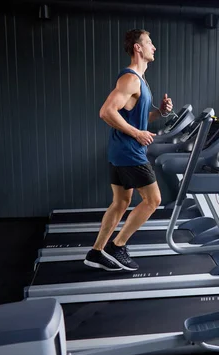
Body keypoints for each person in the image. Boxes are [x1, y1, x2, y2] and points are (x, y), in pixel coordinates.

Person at [84, 28, 173, 272]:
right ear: (138, 47)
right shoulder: (131, 79)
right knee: (153, 200)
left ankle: (96, 252)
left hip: (120, 151)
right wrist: (137, 134)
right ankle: (117, 245)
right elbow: (106, 112)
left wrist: (160, 113)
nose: (153, 47)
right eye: (149, 42)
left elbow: (135, 117)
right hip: (129, 151)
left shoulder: (141, 81)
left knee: (121, 203)